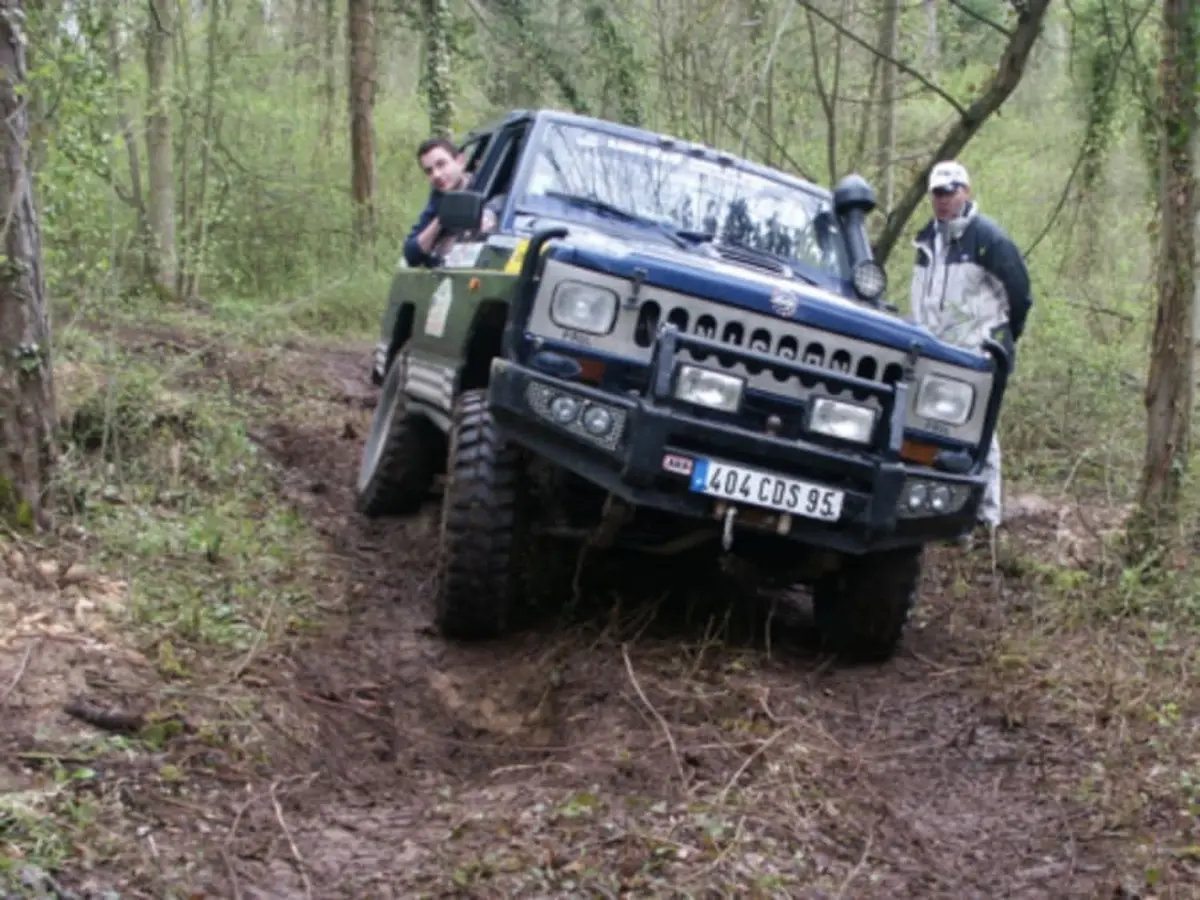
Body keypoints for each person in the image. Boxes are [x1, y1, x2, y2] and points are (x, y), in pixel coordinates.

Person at [909, 160, 1033, 541]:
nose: (943, 200)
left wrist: (999, 340)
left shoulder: (989, 239)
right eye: (937, 193)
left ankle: (984, 518)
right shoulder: (926, 238)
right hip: (934, 345)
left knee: (979, 430)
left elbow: (1020, 295)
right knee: (926, 424)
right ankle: (934, 510)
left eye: (951, 191)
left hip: (975, 351)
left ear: (967, 191)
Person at [403, 137, 501, 269]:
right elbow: (411, 254)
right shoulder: (437, 200)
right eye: (429, 171)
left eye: (441, 164)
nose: (436, 175)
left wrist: (492, 212)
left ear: (460, 161)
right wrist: (442, 218)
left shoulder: (488, 184)